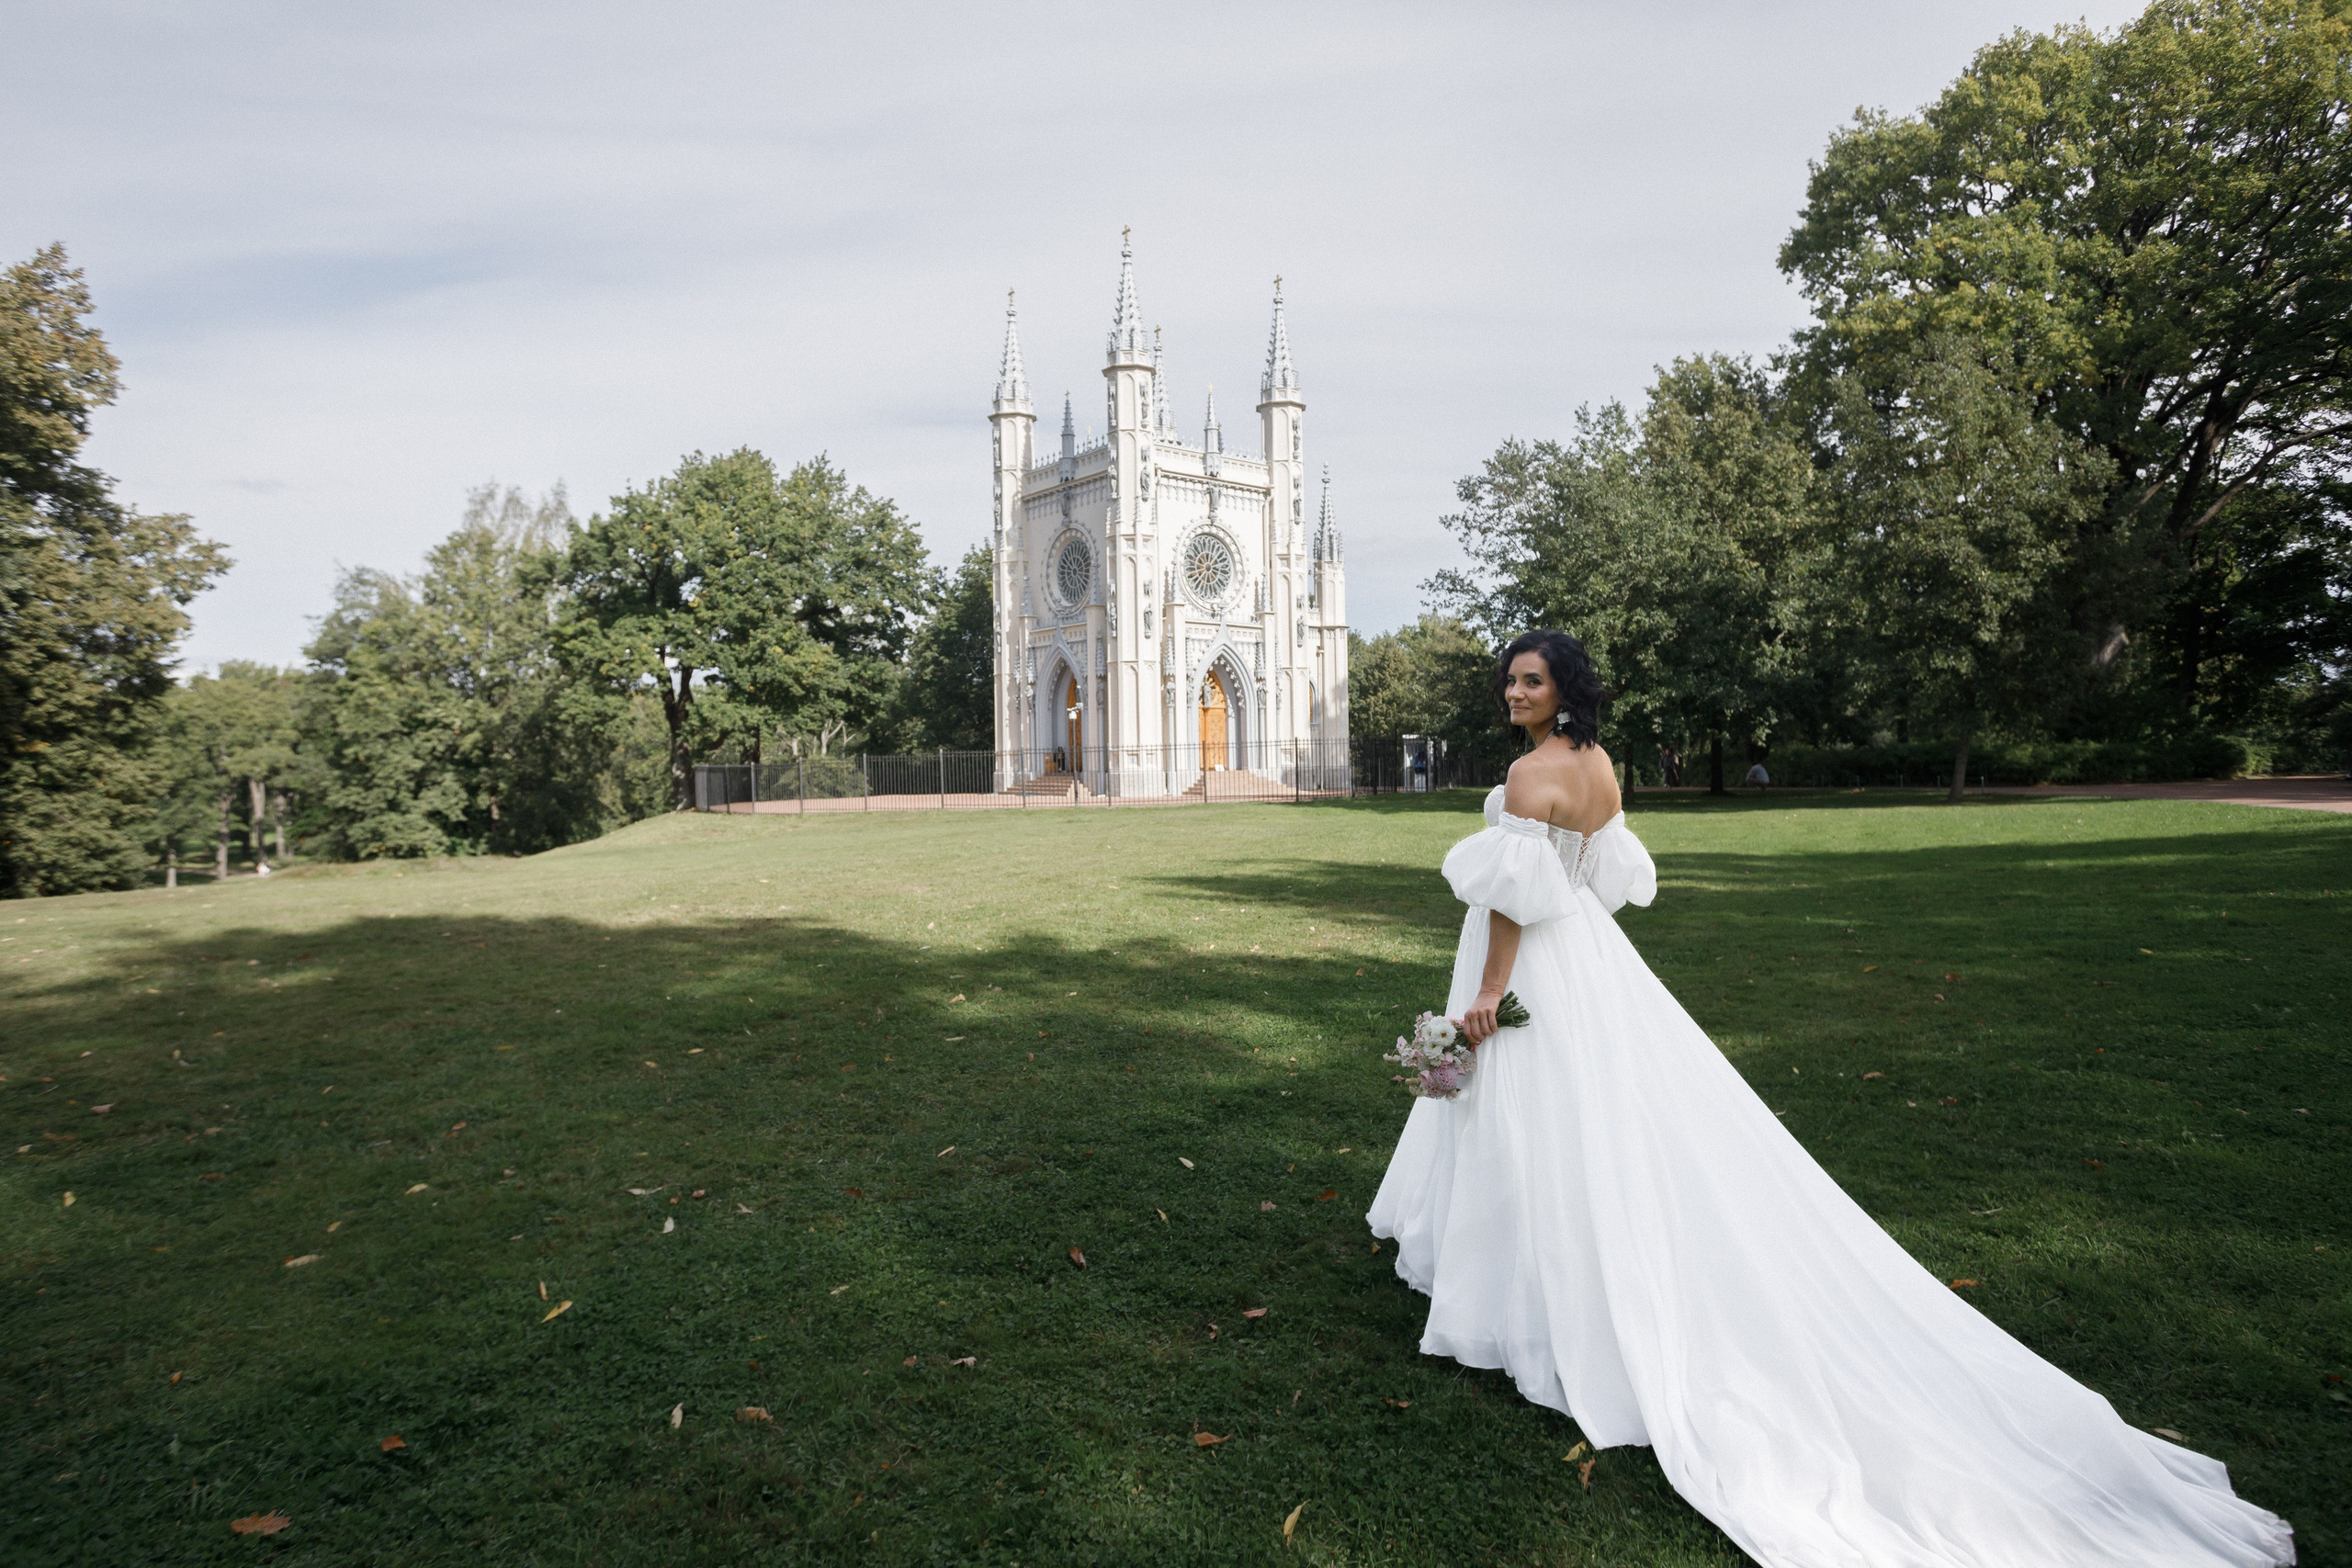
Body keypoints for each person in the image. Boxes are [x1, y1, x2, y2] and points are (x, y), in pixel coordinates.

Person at [1366, 628, 2293, 1568]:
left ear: (1564, 688)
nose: (1512, 693)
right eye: (1508, 680)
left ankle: (1534, 1297)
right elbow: (1598, 881)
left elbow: (1516, 905)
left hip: (1535, 967)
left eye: (1530, 680)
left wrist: (1488, 996)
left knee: (1542, 1129)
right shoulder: (1600, 762)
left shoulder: (1533, 779)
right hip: (1593, 963)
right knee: (1593, 1125)